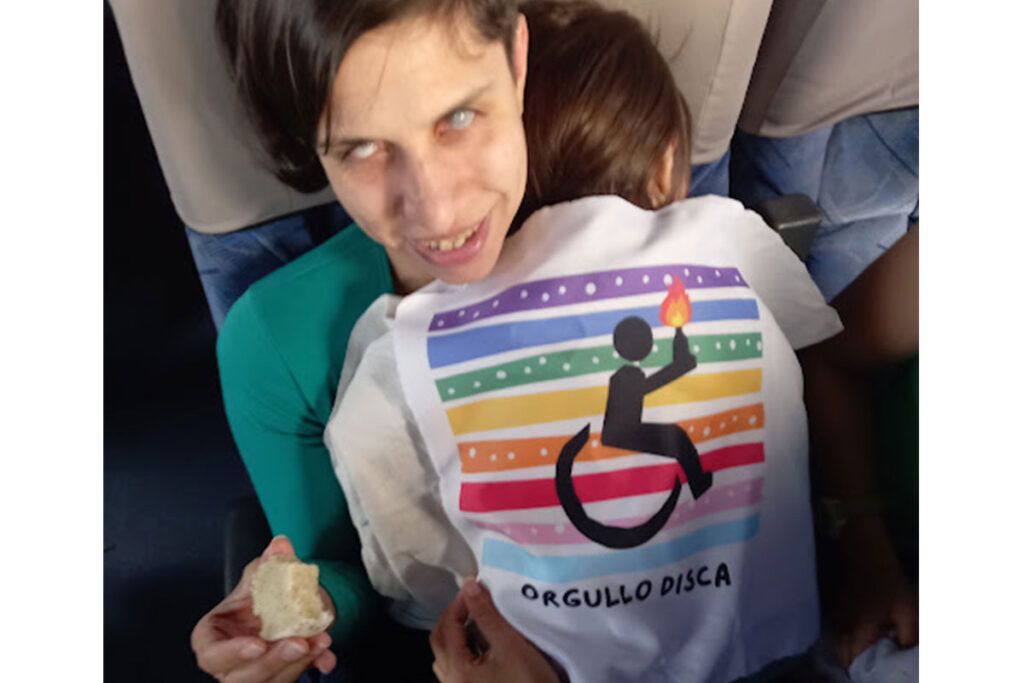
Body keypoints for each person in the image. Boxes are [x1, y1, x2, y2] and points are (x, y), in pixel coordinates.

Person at [325, 2, 912, 680]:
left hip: (531, 664)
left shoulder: (403, 346)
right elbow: (805, 352)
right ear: (667, 167)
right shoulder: (735, 246)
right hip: (773, 650)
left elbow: (412, 573)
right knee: (682, 450)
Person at [191, 0, 530, 680]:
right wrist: (305, 607)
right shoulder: (278, 343)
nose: (437, 210)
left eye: (460, 117)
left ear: (518, 61)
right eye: (362, 149)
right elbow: (348, 571)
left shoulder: (641, 222)